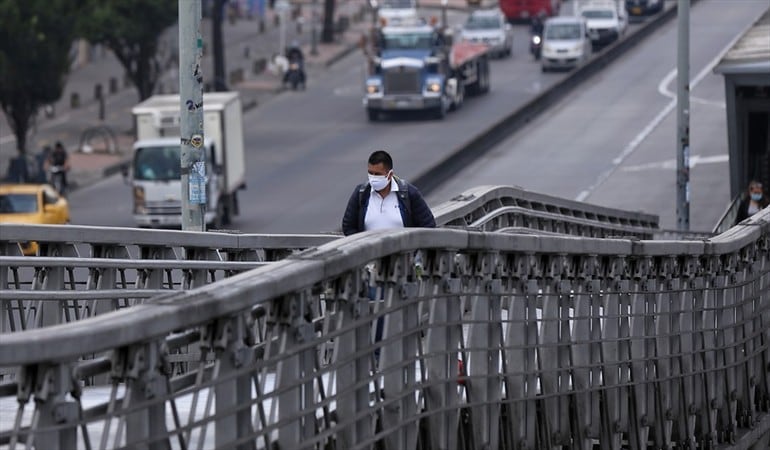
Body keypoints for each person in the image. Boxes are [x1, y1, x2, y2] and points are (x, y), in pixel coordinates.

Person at [342, 150, 436, 236]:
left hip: (404, 253)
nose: (373, 178)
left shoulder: (409, 193)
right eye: (370, 173)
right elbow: (348, 226)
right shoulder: (361, 193)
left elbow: (428, 225)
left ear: (390, 174)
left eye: (378, 174)